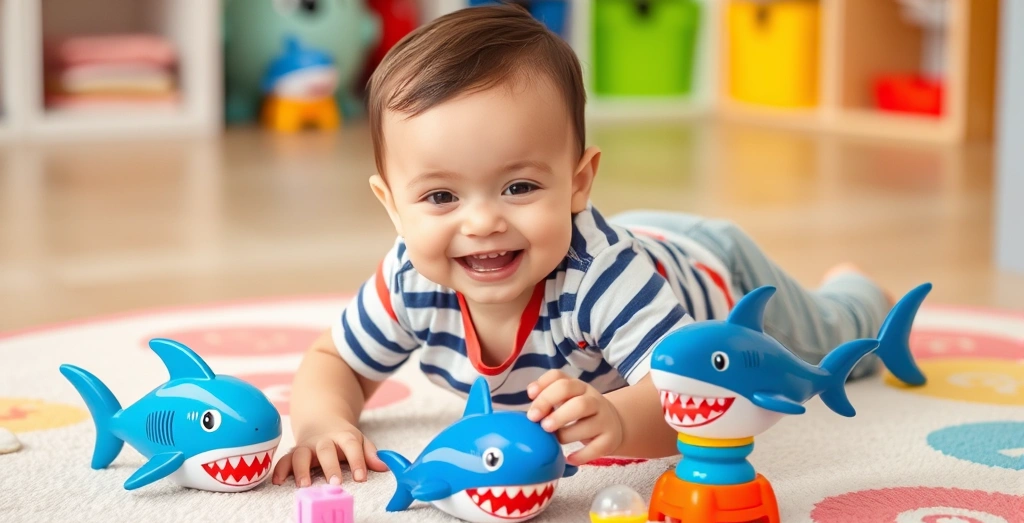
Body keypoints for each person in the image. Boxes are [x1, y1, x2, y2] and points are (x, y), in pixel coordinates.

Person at [272, 4, 891, 488]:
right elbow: (337, 362)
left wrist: (620, 420)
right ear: (391, 205)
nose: (483, 222)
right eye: (440, 197)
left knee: (833, 345)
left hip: (713, 273)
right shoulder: (410, 278)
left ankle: (862, 290)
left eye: (518, 186)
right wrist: (326, 421)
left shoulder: (598, 280)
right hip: (642, 241)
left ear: (577, 182)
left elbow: (692, 394)